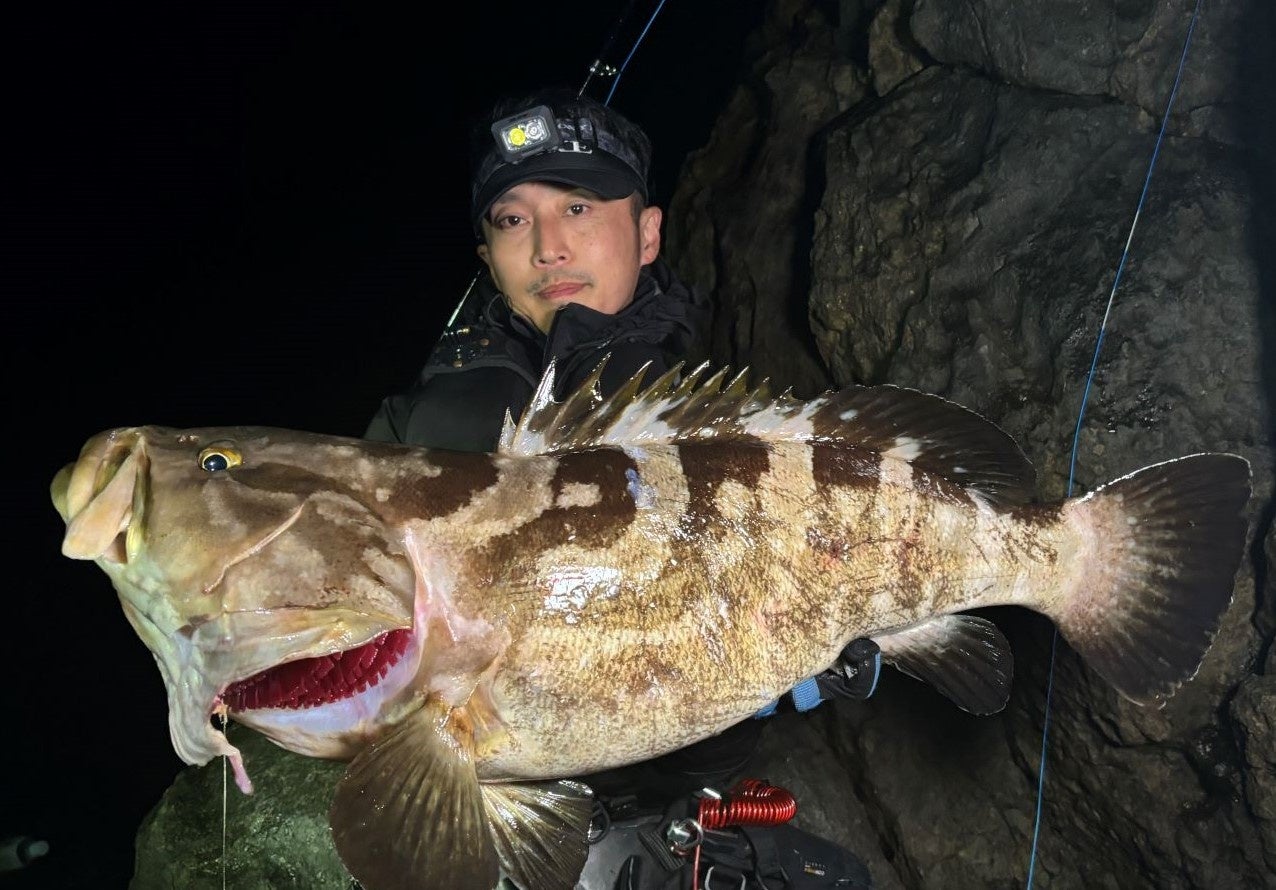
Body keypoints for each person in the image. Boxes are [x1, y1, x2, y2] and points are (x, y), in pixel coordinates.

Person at [364, 87, 875, 888]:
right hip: (481, 826)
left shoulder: (746, 431)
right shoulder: (407, 439)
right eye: (511, 219)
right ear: (488, 258)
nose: (547, 247)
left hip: (677, 824)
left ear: (647, 234)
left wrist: (824, 649)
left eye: (578, 206)